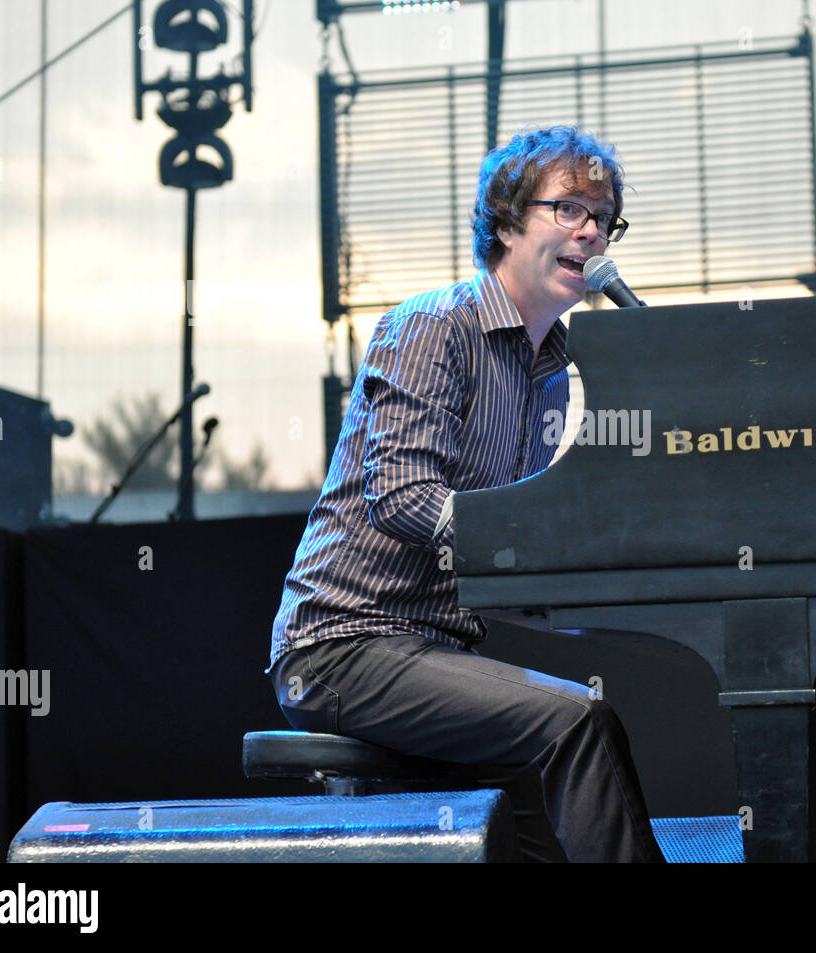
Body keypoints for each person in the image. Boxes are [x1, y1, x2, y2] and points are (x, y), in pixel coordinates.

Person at [267, 125, 665, 863]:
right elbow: (403, 495)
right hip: (342, 645)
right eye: (571, 209)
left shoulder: (551, 370)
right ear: (508, 221)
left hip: (432, 647)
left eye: (605, 218)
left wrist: (623, 583)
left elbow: (507, 552)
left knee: (547, 836)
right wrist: (531, 548)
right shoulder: (431, 326)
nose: (593, 231)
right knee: (580, 723)